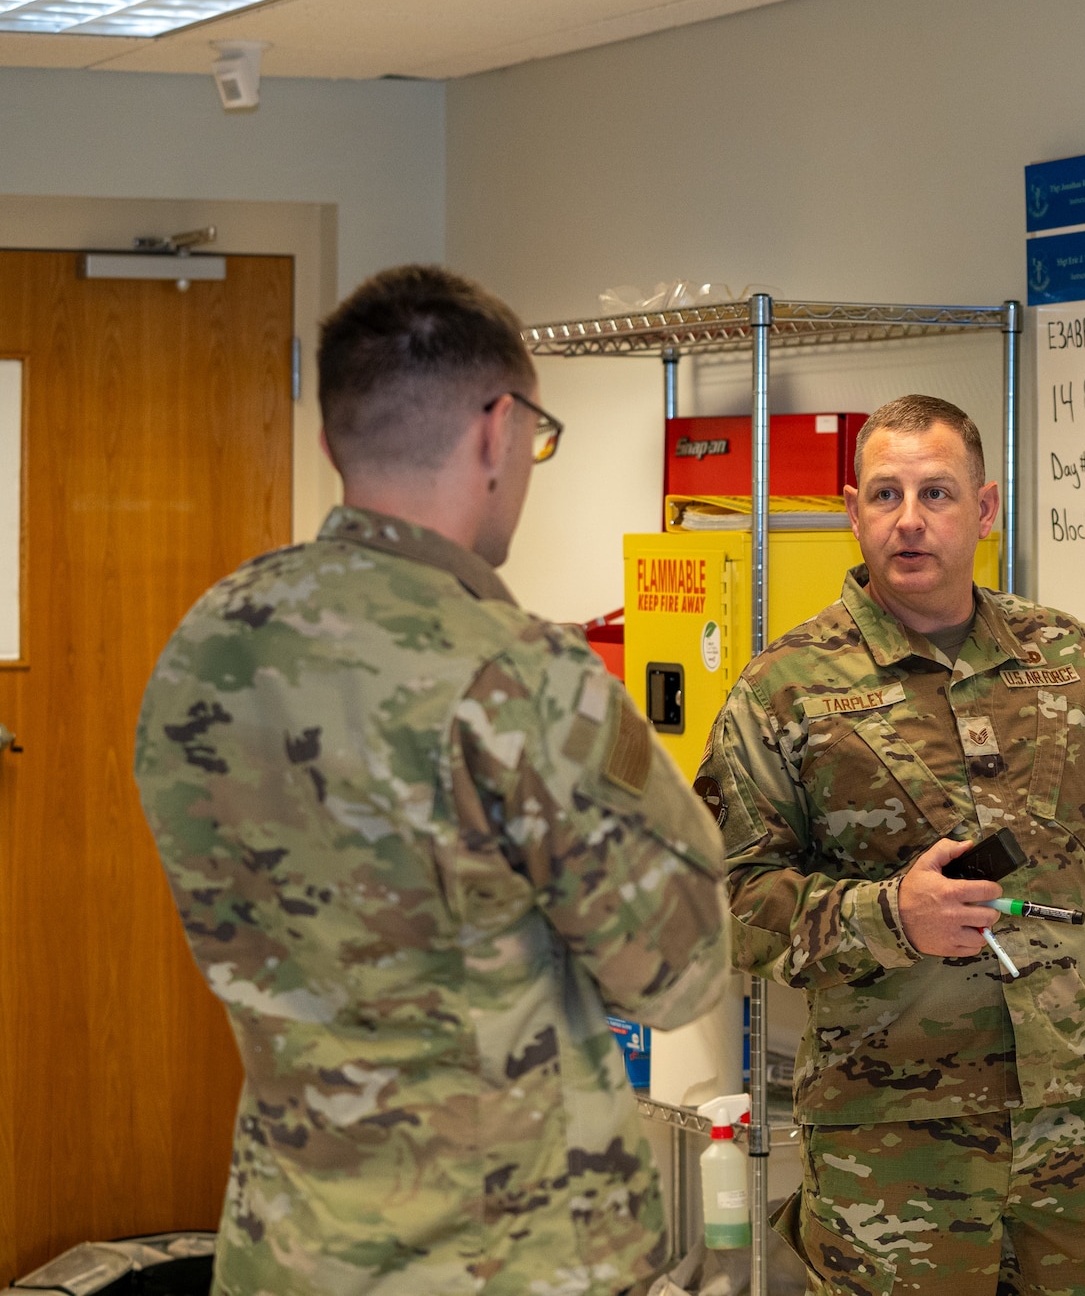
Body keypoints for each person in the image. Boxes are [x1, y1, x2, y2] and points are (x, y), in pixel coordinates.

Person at [132, 265, 729, 1296]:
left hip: (290, 1253)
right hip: (505, 1258)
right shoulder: (518, 676)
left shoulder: (209, 641)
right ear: (499, 429)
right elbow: (680, 970)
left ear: (333, 443)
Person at [695, 395, 1085, 1296]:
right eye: (886, 494)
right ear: (854, 511)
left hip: (1072, 1129)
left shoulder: (1066, 657)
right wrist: (887, 915)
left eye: (936, 493)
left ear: (984, 509)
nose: (909, 519)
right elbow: (717, 902)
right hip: (891, 1149)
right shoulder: (785, 692)